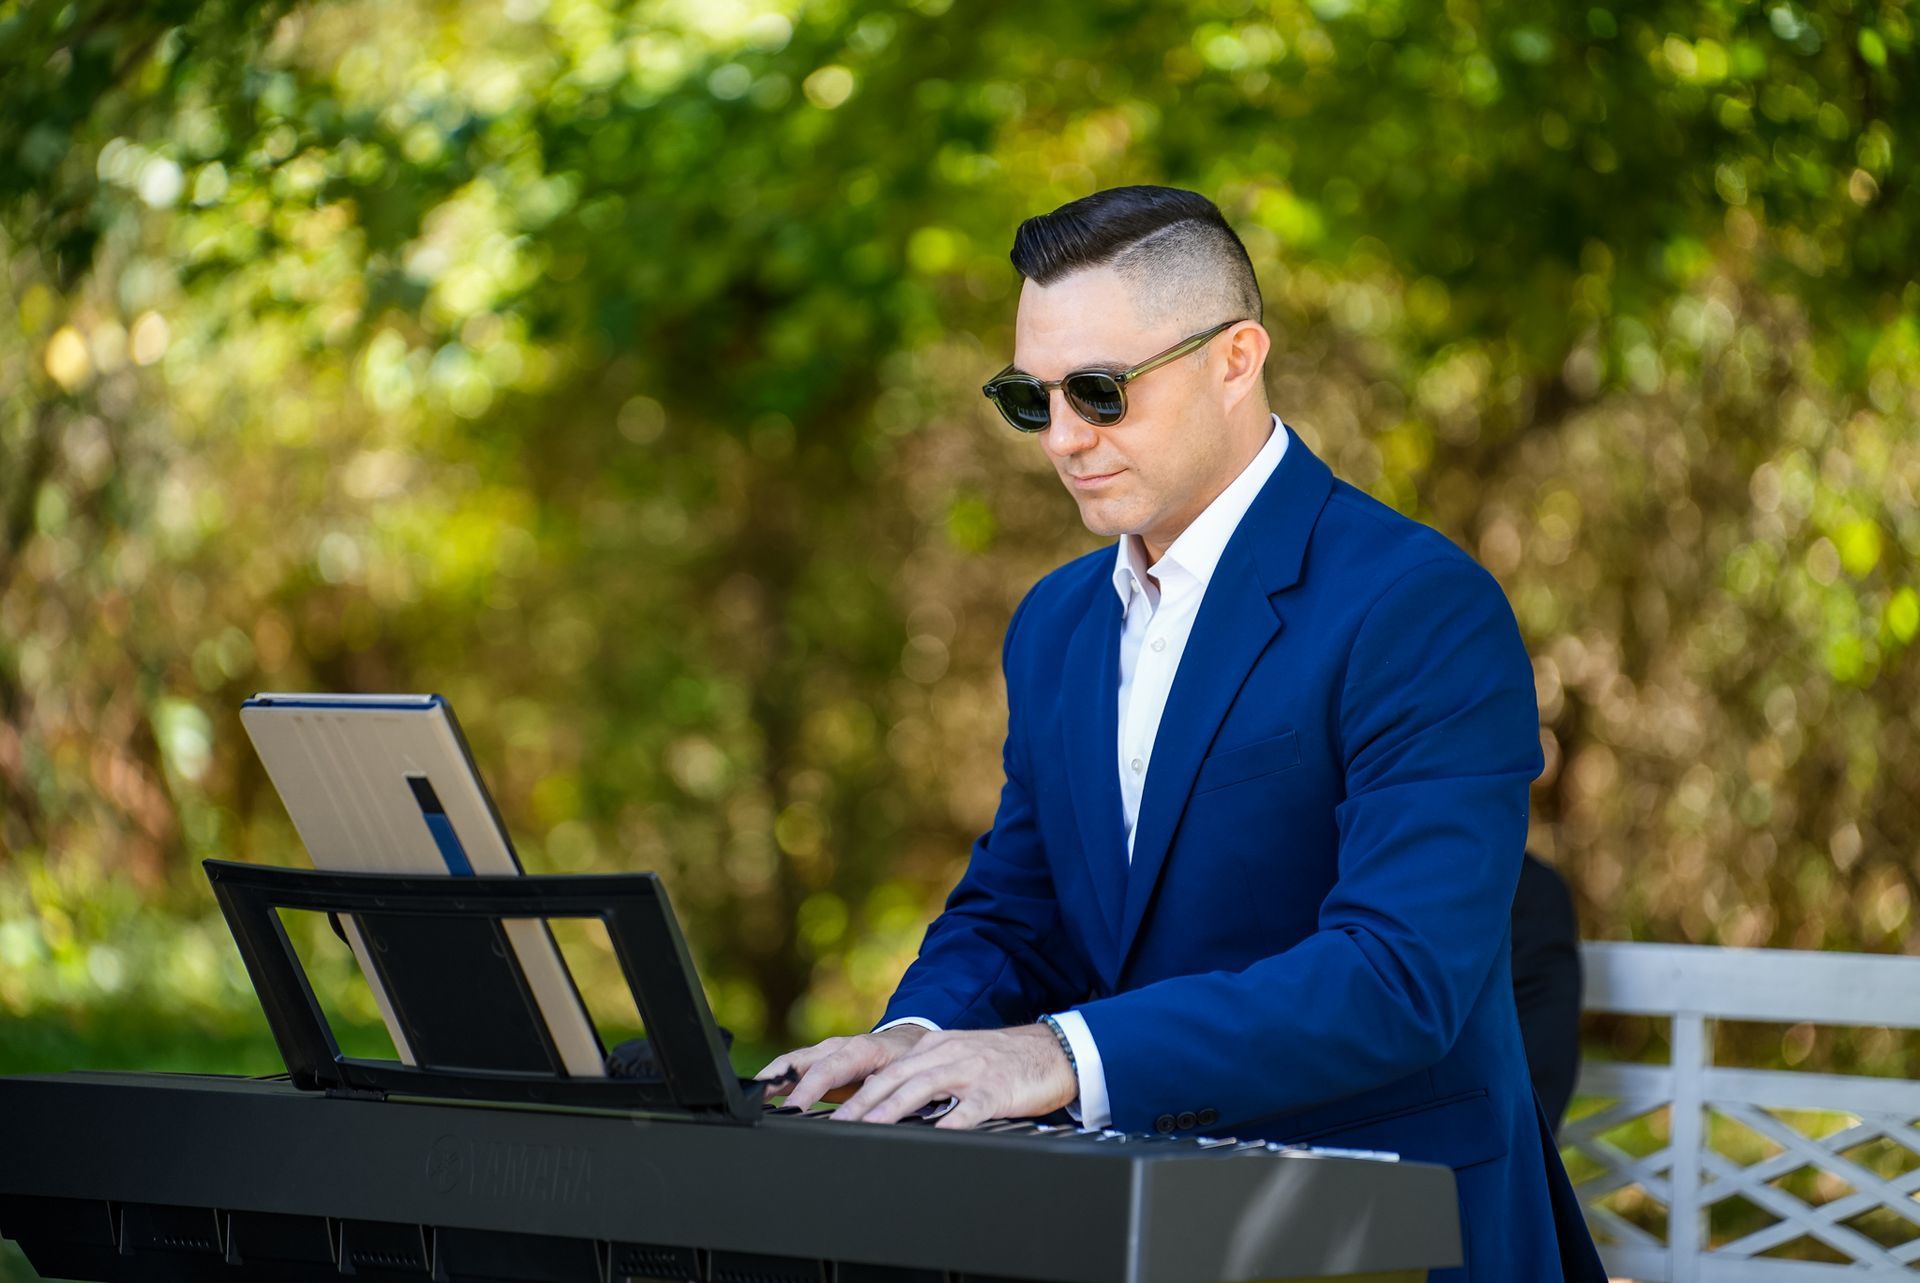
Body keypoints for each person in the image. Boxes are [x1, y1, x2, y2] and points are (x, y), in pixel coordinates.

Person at [759, 186, 1604, 1282]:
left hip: (1393, 1231)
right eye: (1032, 398)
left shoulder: (1419, 606)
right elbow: (1020, 909)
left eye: (1101, 392)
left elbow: (1399, 977)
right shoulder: (1056, 622)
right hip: (1133, 1219)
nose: (1064, 438)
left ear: (1237, 358)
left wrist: (1062, 1053)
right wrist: (913, 1040)